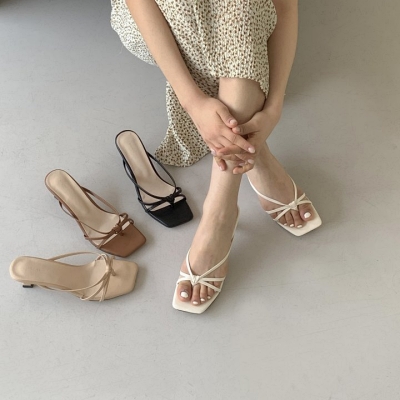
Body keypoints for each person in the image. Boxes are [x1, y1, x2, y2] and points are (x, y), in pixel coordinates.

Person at [111, 0, 319, 311]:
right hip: (157, 17)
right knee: (229, 24)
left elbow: (285, 4)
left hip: (244, 18)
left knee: (240, 8)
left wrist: (275, 107)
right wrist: (193, 103)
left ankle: (220, 209)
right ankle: (253, 161)